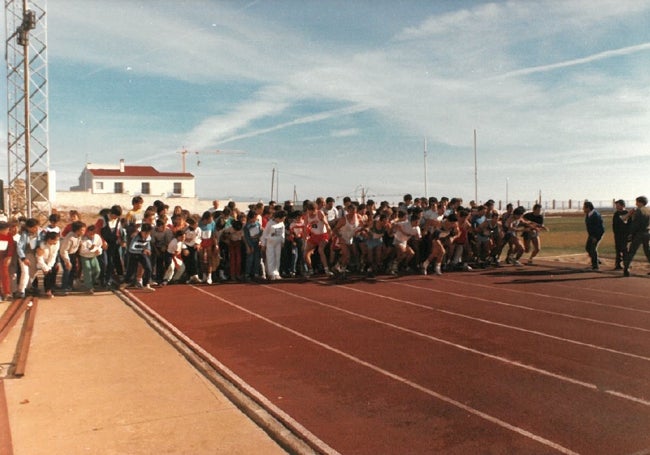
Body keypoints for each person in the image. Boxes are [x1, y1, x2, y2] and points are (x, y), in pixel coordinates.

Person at [120, 223, 155, 291]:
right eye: (145, 233)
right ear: (142, 232)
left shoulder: (148, 237)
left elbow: (148, 244)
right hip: (134, 254)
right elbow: (131, 248)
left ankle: (146, 285)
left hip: (143, 254)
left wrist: (148, 250)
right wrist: (142, 250)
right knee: (131, 270)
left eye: (148, 233)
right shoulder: (136, 238)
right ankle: (125, 283)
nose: (146, 235)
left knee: (148, 268)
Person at [623, 196, 650, 277]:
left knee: (632, 251)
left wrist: (631, 233)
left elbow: (635, 224)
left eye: (637, 202)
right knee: (648, 251)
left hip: (639, 234)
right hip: (647, 233)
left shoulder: (638, 211)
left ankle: (626, 268)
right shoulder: (648, 210)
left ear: (640, 202)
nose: (636, 203)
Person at [261, 210, 286, 280]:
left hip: (278, 243)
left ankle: (276, 272)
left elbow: (283, 233)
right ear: (278, 217)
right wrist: (263, 244)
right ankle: (271, 273)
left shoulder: (282, 223)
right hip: (270, 243)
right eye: (282, 218)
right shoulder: (270, 223)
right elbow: (265, 234)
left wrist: (282, 241)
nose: (283, 220)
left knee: (277, 257)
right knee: (270, 257)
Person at [78, 225, 103, 293]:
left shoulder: (97, 237)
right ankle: (89, 287)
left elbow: (100, 246)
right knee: (87, 269)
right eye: (90, 233)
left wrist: (99, 251)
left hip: (93, 256)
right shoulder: (83, 239)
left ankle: (92, 281)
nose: (91, 235)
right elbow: (82, 251)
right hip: (84, 256)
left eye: (93, 233)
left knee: (97, 270)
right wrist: (90, 249)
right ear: (87, 232)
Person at [36, 231, 60, 298]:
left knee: (53, 272)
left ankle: (51, 289)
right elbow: (39, 258)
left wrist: (49, 267)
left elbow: (53, 255)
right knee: (47, 274)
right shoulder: (42, 245)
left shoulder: (57, 244)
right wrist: (45, 268)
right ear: (49, 239)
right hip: (42, 261)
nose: (57, 241)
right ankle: (47, 290)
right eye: (55, 240)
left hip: (51, 261)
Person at [583, 201, 605, 270]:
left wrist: (596, 237)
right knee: (588, 248)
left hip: (597, 234)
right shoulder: (588, 215)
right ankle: (596, 260)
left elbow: (600, 228)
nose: (583, 209)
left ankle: (595, 266)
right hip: (591, 235)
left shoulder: (596, 215)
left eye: (584, 208)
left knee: (593, 249)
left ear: (588, 208)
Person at [0, 221, 16, 300]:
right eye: (6, 230)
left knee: (5, 275)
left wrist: (9, 257)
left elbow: (11, 247)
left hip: (4, 258)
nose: (8, 231)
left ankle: (7, 293)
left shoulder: (9, 236)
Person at [612, 199, 629, 270]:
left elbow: (629, 224)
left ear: (623, 205)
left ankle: (626, 265)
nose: (616, 207)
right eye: (616, 205)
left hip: (624, 235)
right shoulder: (616, 214)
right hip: (617, 235)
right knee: (617, 250)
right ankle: (617, 264)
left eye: (618, 205)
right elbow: (614, 224)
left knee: (624, 250)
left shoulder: (627, 213)